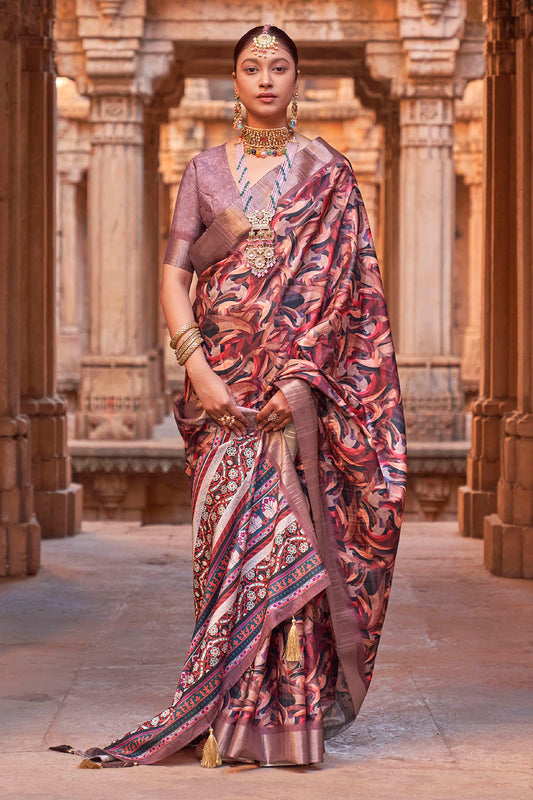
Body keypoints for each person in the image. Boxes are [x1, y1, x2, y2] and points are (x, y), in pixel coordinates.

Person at [53, 23, 407, 769]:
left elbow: (349, 295)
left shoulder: (330, 174)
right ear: (235, 79)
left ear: (296, 77)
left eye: (279, 66)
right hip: (220, 392)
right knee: (229, 557)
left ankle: (281, 722)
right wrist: (198, 372)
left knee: (289, 544)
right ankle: (225, 711)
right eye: (252, 67)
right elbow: (174, 275)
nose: (266, 79)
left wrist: (303, 378)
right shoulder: (205, 172)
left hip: (296, 398)